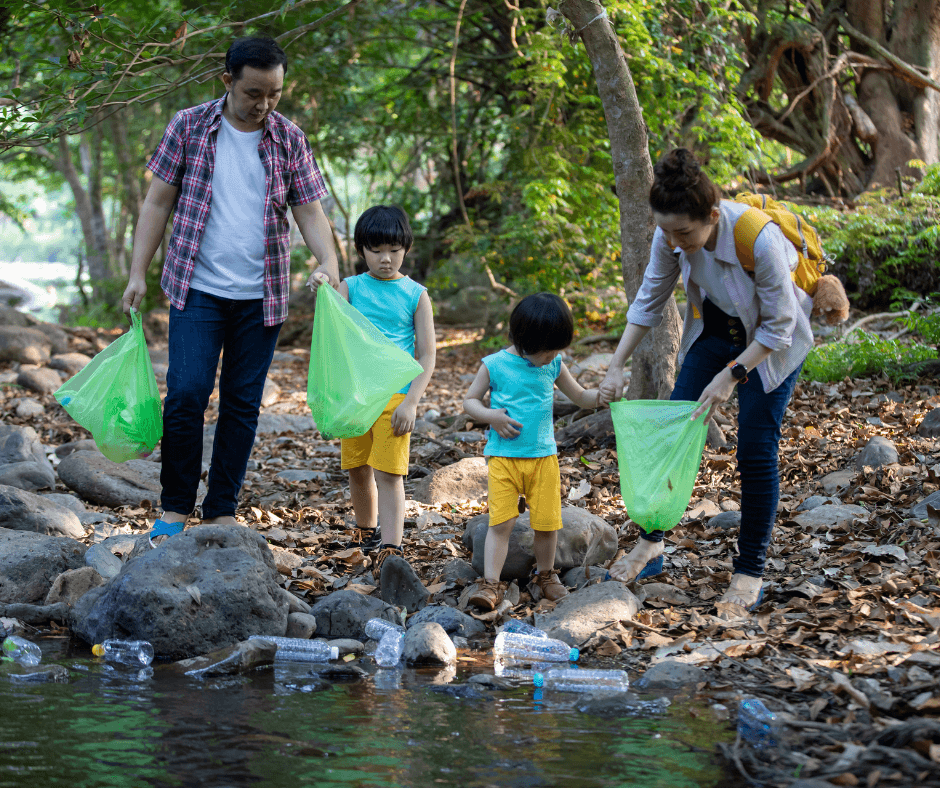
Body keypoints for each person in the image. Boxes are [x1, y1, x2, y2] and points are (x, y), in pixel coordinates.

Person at [121, 37, 339, 545]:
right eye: (253, 93)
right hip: (196, 286)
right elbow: (157, 203)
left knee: (242, 404)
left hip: (262, 296)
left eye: (275, 94)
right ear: (227, 82)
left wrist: (327, 261)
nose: (264, 104)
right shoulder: (190, 125)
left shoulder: (289, 138)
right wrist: (137, 273)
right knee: (187, 395)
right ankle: (175, 507)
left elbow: (310, 210)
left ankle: (221, 509)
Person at [598, 148, 813, 613]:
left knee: (755, 450)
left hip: (771, 346)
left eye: (684, 233)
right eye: (666, 231)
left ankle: (749, 570)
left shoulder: (758, 238)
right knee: (675, 432)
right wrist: (616, 363)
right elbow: (650, 300)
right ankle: (652, 542)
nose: (674, 242)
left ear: (713, 215)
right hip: (717, 331)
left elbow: (782, 326)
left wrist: (732, 376)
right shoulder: (669, 236)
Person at [463, 293, 602, 609]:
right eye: (548, 349)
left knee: (547, 523)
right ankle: (490, 584)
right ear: (524, 341)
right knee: (501, 524)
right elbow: (469, 401)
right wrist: (491, 416)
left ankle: (546, 575)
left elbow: (579, 395)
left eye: (557, 349)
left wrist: (600, 396)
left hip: (543, 459)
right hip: (504, 459)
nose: (554, 355)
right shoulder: (495, 364)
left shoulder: (553, 363)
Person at [337, 206, 436, 577]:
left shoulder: (415, 294)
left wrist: (412, 401)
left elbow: (427, 354)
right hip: (357, 397)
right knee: (358, 469)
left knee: (390, 474)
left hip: (395, 396)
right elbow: (333, 337)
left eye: (394, 249)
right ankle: (366, 535)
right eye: (376, 249)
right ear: (362, 250)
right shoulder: (350, 288)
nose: (386, 258)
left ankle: (391, 548)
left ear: (406, 248)